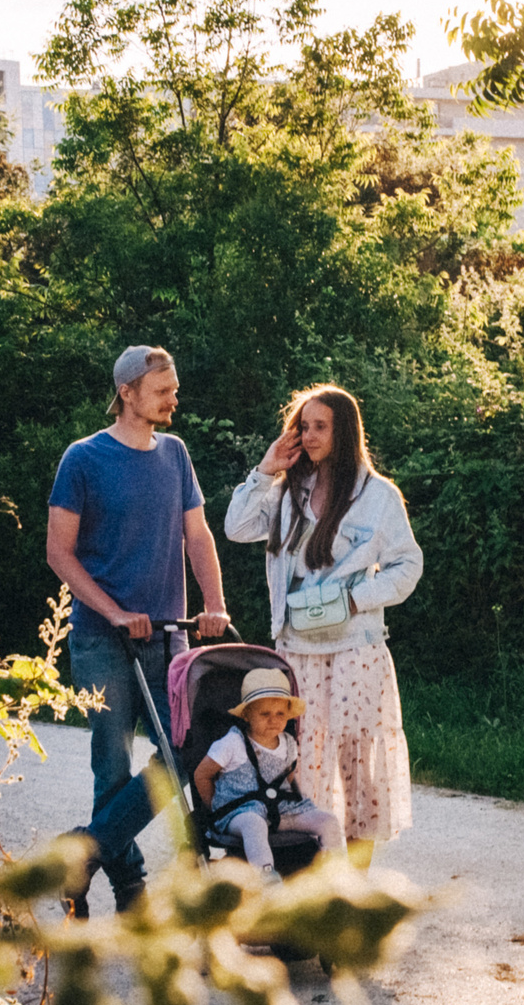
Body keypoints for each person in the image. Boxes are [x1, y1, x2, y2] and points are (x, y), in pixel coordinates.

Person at [46, 345, 230, 915]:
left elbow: (197, 536)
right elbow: (60, 553)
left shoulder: (176, 455)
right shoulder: (83, 460)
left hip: (170, 638)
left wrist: (214, 603)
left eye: (173, 388)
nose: (174, 399)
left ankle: (86, 850)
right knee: (111, 765)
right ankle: (131, 890)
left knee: (180, 753)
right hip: (103, 639)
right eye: (162, 391)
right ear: (127, 393)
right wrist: (115, 612)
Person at [223, 383, 422, 867]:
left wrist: (356, 599)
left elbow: (407, 565)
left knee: (358, 777)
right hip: (297, 650)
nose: (308, 436)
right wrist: (267, 469)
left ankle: (351, 900)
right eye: (302, 426)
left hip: (356, 649)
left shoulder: (377, 497)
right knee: (301, 772)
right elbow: (235, 528)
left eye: (319, 427)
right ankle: (309, 891)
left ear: (344, 431)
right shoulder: (288, 490)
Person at [192, 667, 344, 882]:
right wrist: (216, 808)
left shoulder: (289, 744)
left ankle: (336, 874)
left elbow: (289, 778)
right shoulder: (232, 743)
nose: (273, 720)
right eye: (265, 714)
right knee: (255, 824)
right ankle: (266, 879)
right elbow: (202, 775)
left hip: (280, 810)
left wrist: (300, 802)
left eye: (280, 714)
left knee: (327, 820)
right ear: (247, 715)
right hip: (241, 813)